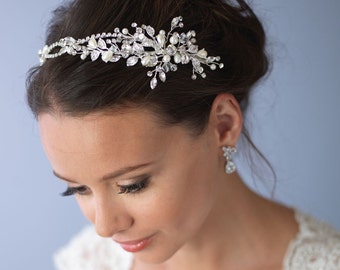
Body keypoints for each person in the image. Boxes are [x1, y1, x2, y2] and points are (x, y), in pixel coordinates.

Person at [27, 0, 340, 269]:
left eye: (132, 184)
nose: (105, 228)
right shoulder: (87, 261)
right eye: (78, 189)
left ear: (223, 126)